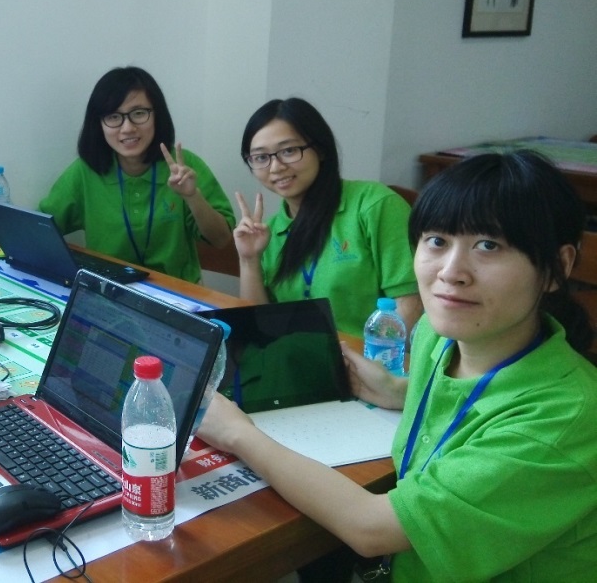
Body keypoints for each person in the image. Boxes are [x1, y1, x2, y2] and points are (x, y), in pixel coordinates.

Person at [199, 150, 597, 580]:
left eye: (489, 245)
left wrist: (237, 433)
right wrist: (398, 389)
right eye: (437, 241)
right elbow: (474, 402)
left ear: (557, 268)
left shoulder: (564, 419)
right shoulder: (438, 336)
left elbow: (372, 529)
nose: (451, 272)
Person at [233, 97, 421, 335]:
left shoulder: (374, 205)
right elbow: (259, 326)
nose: (276, 167)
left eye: (289, 151)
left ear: (320, 149)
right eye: (261, 157)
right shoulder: (267, 233)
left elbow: (410, 303)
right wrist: (249, 260)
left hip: (368, 355)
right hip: (297, 354)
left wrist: (369, 357)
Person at [39, 66, 235, 283]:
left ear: (157, 115)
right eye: (114, 116)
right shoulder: (86, 171)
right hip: (109, 290)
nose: (127, 128)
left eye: (139, 113)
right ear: (99, 124)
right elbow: (40, 227)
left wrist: (192, 196)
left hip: (177, 292)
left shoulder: (184, 165)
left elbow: (221, 239)